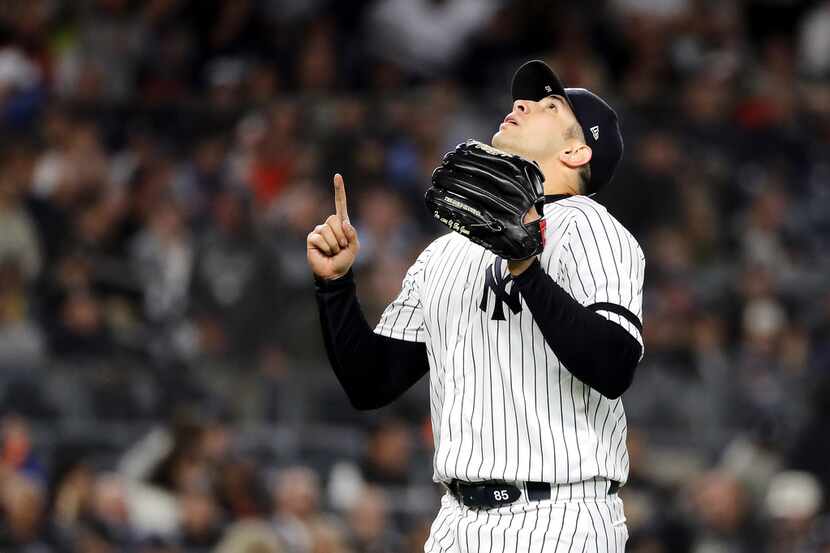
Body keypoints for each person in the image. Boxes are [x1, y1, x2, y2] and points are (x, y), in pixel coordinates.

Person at [308, 60, 644, 552]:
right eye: (522, 100)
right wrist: (336, 287)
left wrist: (526, 265)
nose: (521, 104)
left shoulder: (589, 226)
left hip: (561, 516)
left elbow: (613, 365)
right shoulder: (446, 250)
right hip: (456, 523)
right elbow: (372, 382)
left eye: (549, 106)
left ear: (576, 151)